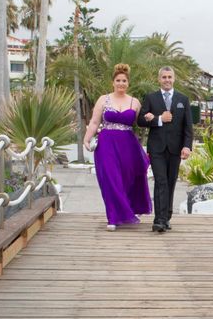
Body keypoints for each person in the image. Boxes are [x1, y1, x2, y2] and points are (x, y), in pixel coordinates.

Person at [83, 63, 152, 231]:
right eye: (118, 80)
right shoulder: (103, 99)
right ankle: (112, 217)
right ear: (113, 82)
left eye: (124, 81)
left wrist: (151, 117)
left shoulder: (135, 102)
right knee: (110, 179)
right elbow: (94, 122)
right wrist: (86, 139)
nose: (121, 83)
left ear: (128, 83)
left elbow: (141, 122)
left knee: (128, 178)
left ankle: (126, 210)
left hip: (128, 145)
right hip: (106, 143)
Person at [138, 66, 193, 233]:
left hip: (176, 149)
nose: (167, 80)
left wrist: (187, 146)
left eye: (169, 77)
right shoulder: (151, 98)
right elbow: (141, 120)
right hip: (157, 148)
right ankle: (159, 220)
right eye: (164, 77)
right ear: (159, 79)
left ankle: (167, 216)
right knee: (161, 181)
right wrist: (158, 119)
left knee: (170, 182)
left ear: (174, 79)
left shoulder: (183, 99)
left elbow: (188, 127)